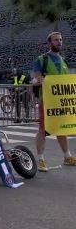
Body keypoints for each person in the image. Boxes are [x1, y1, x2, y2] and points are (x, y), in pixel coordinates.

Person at [33, 31, 76, 172]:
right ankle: (40, 160)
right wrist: (37, 81)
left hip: (60, 102)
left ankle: (67, 156)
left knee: (61, 128)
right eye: (56, 40)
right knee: (42, 129)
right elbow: (36, 80)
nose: (59, 42)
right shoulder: (42, 59)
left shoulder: (63, 61)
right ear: (49, 43)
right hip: (46, 101)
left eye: (61, 39)